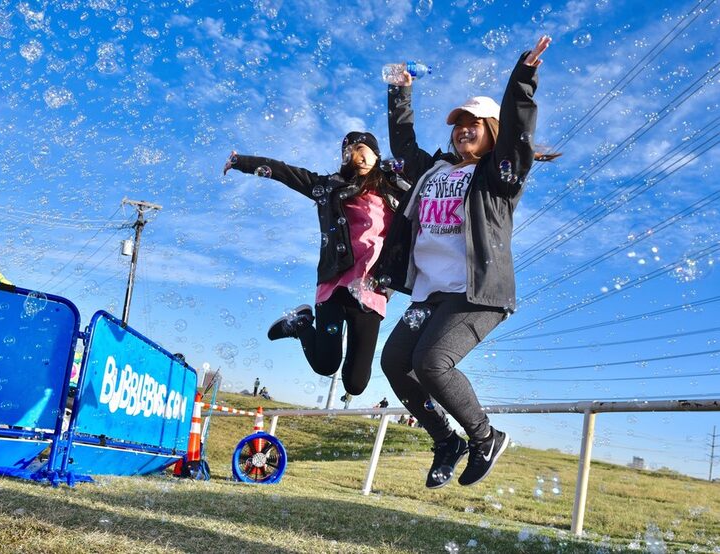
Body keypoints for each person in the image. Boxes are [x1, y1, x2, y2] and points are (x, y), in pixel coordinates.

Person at [377, 36, 558, 488]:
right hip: (431, 293)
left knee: (433, 361)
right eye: (458, 123)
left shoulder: (499, 175)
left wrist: (523, 78)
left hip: (476, 292)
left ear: (492, 131)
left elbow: (517, 133)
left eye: (474, 123)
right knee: (396, 361)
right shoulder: (434, 171)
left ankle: (484, 437)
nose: (462, 129)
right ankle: (446, 440)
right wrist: (399, 84)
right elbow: (402, 141)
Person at [224, 133, 410, 396]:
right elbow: (286, 173)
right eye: (348, 151)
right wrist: (240, 161)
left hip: (372, 287)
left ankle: (304, 326)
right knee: (325, 364)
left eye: (362, 148)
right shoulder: (329, 187)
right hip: (334, 282)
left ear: (377, 155)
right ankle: (300, 325)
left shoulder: (399, 193)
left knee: (356, 384)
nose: (356, 155)